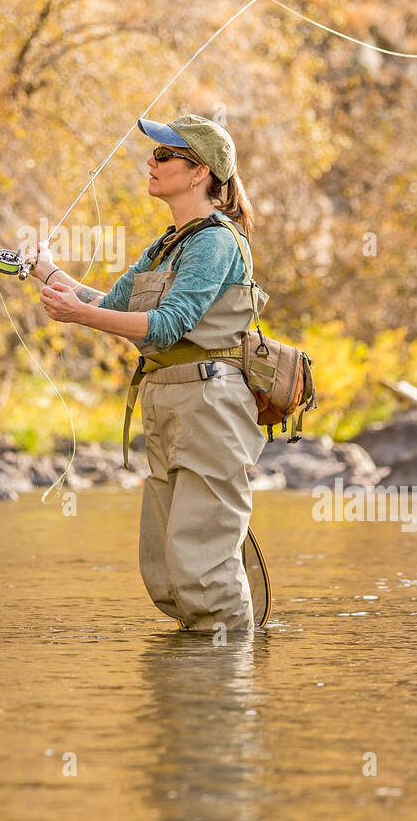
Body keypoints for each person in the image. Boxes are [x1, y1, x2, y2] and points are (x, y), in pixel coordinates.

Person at [22, 113, 270, 635]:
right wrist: (47, 272)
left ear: (199, 172)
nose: (150, 162)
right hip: (171, 404)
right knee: (168, 567)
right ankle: (189, 690)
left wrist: (82, 315)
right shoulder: (168, 244)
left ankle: (223, 691)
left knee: (202, 564)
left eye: (163, 155)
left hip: (211, 406)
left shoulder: (216, 242)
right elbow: (109, 304)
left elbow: (168, 324)